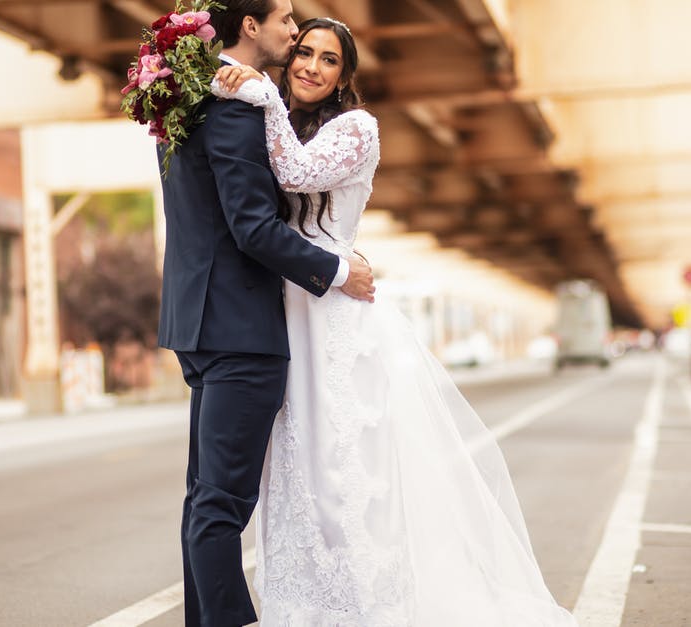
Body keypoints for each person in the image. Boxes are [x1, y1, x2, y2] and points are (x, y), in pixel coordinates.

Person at [213, 17, 579, 625]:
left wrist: (256, 91)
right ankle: (303, 604)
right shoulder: (282, 120)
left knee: (346, 466)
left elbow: (296, 174)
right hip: (287, 314)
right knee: (298, 468)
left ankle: (367, 604)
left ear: (344, 76)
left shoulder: (358, 128)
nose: (310, 66)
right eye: (303, 52)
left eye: (329, 60)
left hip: (336, 317)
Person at [155, 2, 377, 626]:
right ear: (250, 26)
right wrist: (337, 270)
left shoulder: (188, 101)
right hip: (241, 331)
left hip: (200, 322)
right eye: (285, 21)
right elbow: (252, 228)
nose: (293, 32)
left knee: (204, 500)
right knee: (221, 506)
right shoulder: (233, 109)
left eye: (324, 55)